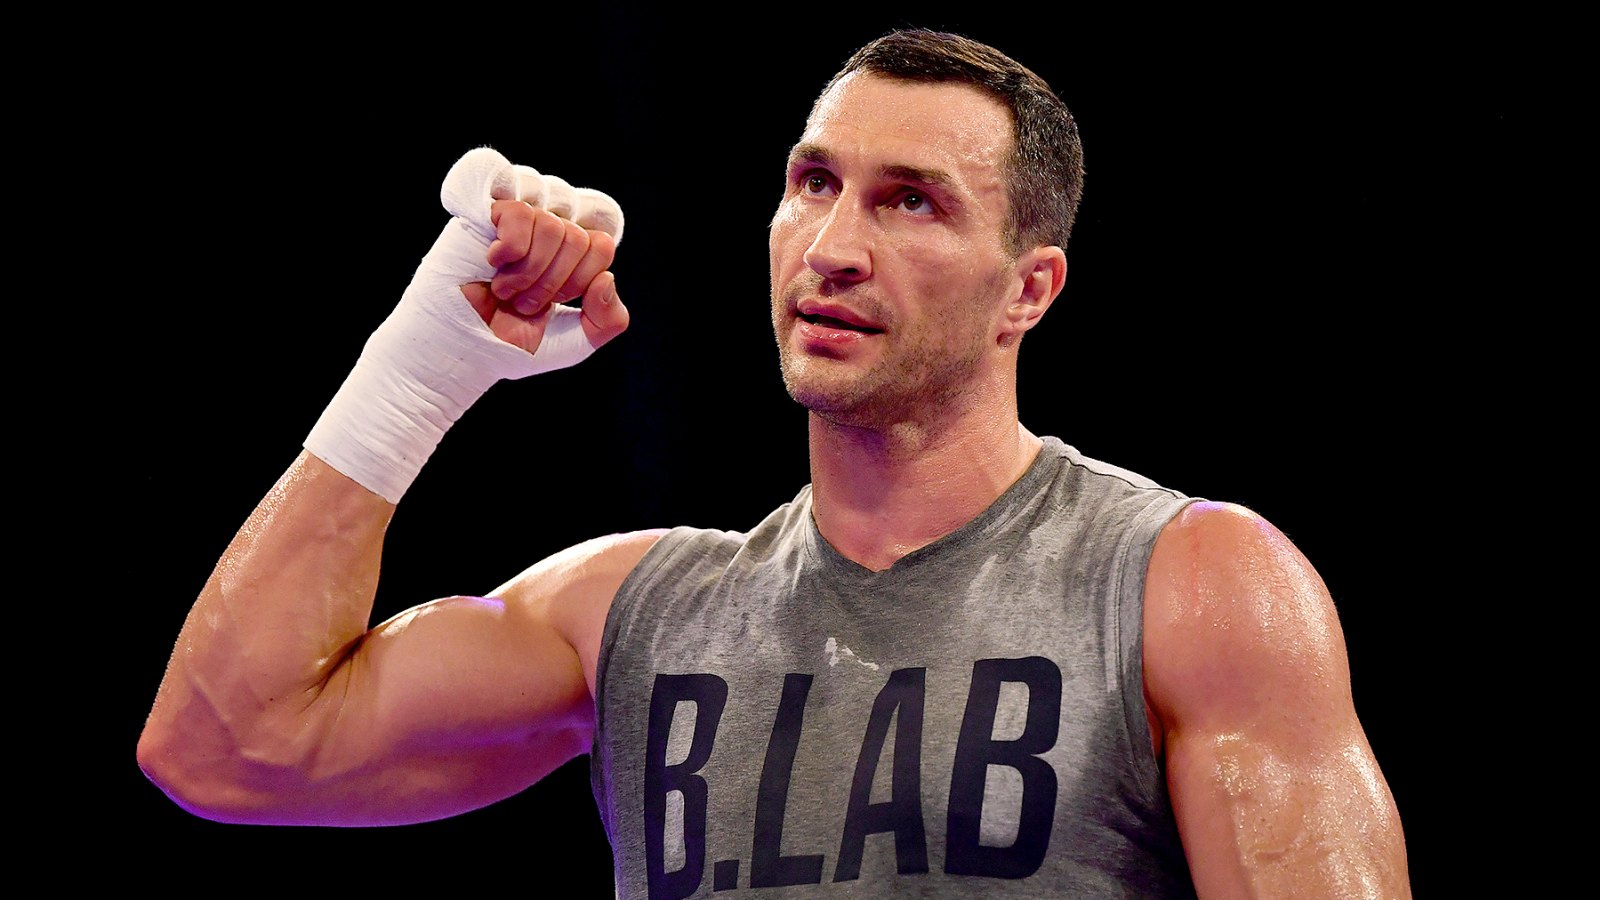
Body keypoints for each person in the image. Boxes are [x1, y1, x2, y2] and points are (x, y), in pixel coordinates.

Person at [138, 29, 1410, 898]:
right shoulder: (635, 611)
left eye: (911, 200)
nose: (834, 246)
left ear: (1030, 288)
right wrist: (418, 375)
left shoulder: (1188, 586)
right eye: (813, 184)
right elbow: (225, 748)